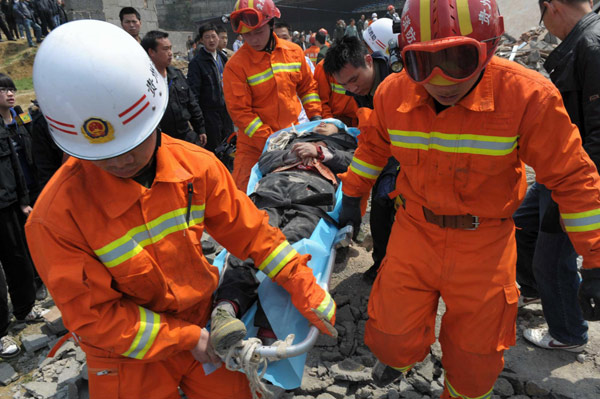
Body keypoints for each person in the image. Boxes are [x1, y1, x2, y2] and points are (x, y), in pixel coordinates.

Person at [27, 20, 336, 399]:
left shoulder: (196, 167)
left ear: (155, 115)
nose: (123, 161)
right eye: (107, 155)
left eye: (134, 144)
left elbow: (251, 232)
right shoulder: (56, 217)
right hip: (127, 353)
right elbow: (95, 318)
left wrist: (298, 279)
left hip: (199, 322)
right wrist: (185, 338)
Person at [337, 0, 600, 397]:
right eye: (424, 64)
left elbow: (571, 177)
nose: (442, 81)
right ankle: (402, 358)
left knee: (475, 363)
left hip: (486, 246)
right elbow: (373, 150)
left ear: (489, 46)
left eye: (458, 58)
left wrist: (596, 259)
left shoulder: (527, 97)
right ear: (403, 58)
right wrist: (350, 200)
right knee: (390, 336)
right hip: (414, 234)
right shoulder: (392, 94)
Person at [210, 121, 354, 353]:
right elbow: (264, 162)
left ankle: (271, 325)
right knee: (249, 244)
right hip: (272, 188)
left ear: (341, 133)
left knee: (292, 247)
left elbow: (355, 166)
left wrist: (321, 154)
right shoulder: (291, 140)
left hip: (312, 196)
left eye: (330, 124)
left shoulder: (346, 146)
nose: (325, 123)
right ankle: (226, 309)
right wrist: (292, 155)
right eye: (322, 122)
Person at [514, 0, 600, 353]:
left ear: (551, 7)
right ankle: (536, 289)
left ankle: (568, 333)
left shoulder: (591, 47)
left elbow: (597, 134)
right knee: (521, 221)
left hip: (575, 174)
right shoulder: (585, 41)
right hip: (560, 168)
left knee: (551, 257)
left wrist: (570, 194)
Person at [223, 0, 322, 191]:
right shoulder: (235, 66)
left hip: (295, 136)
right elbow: (241, 113)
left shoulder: (294, 52)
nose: (253, 40)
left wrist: (316, 118)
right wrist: (272, 142)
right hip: (253, 146)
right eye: (247, 35)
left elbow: (308, 88)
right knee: (245, 196)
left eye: (258, 32)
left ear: (271, 25)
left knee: (301, 193)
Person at [324, 35, 396, 281]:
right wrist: (353, 197)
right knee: (381, 209)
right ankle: (384, 264)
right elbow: (371, 144)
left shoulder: (398, 80)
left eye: (354, 80)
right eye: (346, 85)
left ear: (368, 59)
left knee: (390, 203)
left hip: (419, 157)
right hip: (389, 152)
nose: (352, 88)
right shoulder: (362, 91)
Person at [0, 74, 46, 359]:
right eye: (3, 89)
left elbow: (17, 165)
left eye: (10, 88)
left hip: (10, 203)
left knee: (18, 259)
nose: (9, 93)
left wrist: (24, 200)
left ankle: (24, 308)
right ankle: (1, 333)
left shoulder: (14, 123)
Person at [142, 30, 207, 148]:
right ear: (151, 52)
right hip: (162, 142)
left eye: (170, 48)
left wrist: (200, 128)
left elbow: (192, 104)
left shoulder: (176, 75)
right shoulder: (145, 82)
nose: (170, 53)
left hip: (186, 137)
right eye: (165, 49)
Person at [187, 24, 231, 152]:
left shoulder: (222, 58)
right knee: (215, 149)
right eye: (207, 37)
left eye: (213, 36)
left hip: (225, 112)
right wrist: (198, 123)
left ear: (218, 37)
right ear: (201, 40)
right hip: (209, 115)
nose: (211, 40)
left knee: (229, 146)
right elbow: (193, 94)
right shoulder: (197, 63)